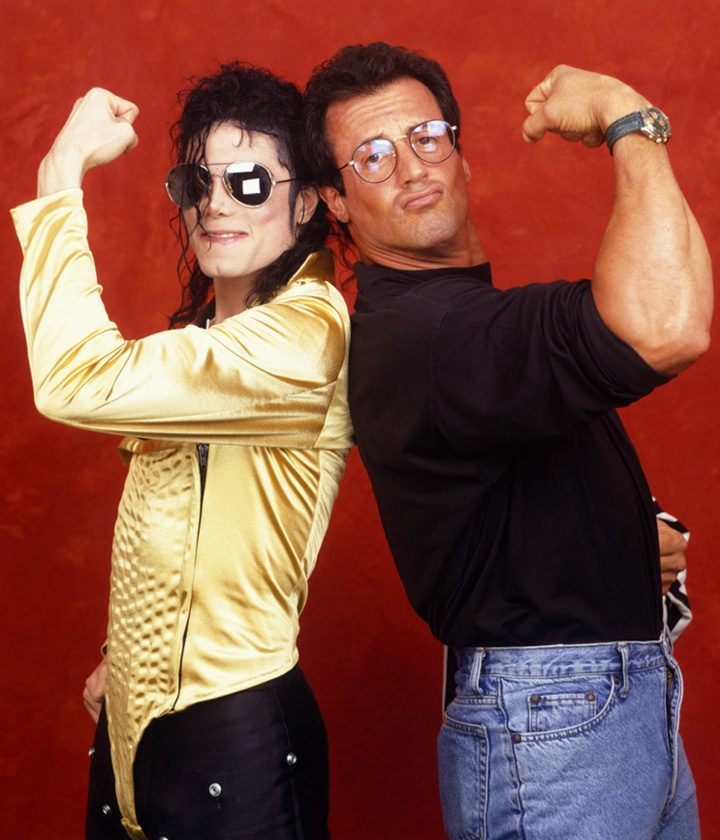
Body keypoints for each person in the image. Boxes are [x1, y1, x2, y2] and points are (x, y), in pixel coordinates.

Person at [303, 43, 712, 839]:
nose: (412, 167)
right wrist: (626, 115)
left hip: (608, 708)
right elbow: (670, 324)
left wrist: (627, 537)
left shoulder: (461, 321)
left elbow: (509, 490)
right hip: (556, 728)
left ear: (459, 152)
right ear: (336, 201)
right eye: (373, 156)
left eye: (426, 136)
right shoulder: (430, 334)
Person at [13, 63, 353, 840]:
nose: (216, 204)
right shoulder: (203, 340)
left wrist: (60, 172)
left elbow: (72, 382)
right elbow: (178, 519)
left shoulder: (305, 335)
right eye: (198, 182)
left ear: (304, 202)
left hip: (237, 727)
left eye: (249, 183)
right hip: (137, 728)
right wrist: (127, 654)